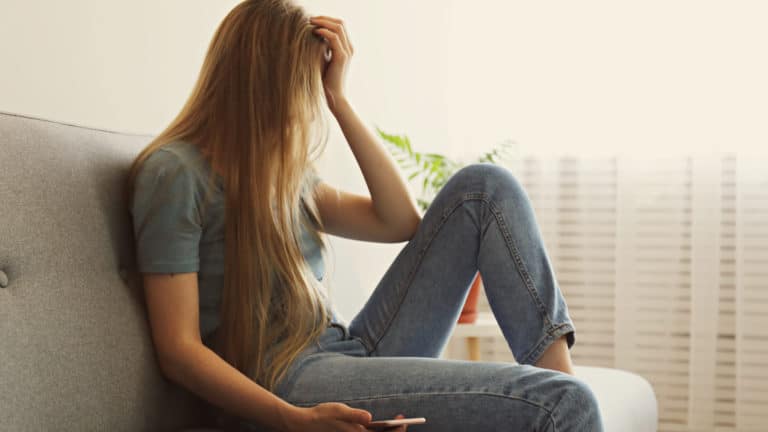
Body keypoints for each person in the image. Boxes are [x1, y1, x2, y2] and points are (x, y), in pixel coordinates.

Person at [126, 1, 604, 431]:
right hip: (286, 379)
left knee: (482, 189)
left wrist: (342, 101)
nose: (309, 103)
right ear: (266, 85)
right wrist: (291, 420)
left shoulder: (282, 174)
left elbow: (398, 221)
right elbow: (178, 350)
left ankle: (555, 371)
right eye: (307, 85)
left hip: (346, 349)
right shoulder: (175, 173)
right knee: (565, 404)